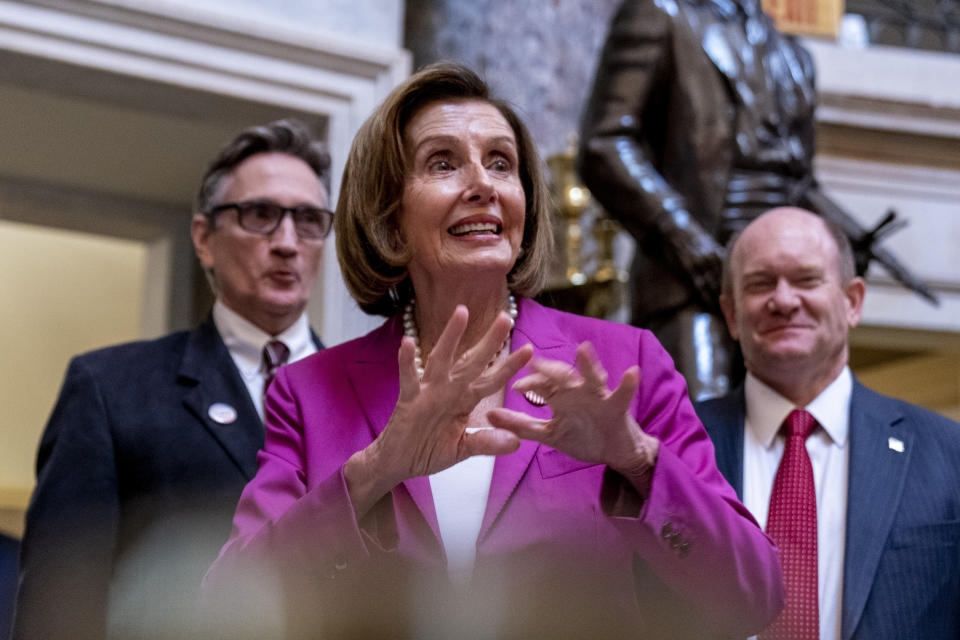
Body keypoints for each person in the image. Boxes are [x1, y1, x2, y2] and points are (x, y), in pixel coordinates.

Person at [204, 62, 783, 639]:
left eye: (501, 163)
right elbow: (226, 613)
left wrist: (637, 459)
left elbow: (752, 595)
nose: (482, 185)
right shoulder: (307, 393)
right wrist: (374, 472)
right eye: (443, 162)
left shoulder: (626, 361)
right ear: (391, 221)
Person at [13, 119, 331, 640]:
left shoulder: (373, 395)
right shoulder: (109, 388)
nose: (288, 242)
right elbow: (58, 604)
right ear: (204, 239)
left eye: (311, 220)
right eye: (260, 215)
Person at [578, 0, 934, 402]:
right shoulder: (661, 14)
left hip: (776, 276)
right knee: (698, 431)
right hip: (692, 280)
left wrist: (846, 235)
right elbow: (604, 145)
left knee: (795, 428)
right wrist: (687, 242)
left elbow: (796, 180)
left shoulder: (793, 56)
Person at [696, 207, 960, 639]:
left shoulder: (948, 455)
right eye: (761, 283)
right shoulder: (675, 445)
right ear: (731, 314)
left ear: (852, 301)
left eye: (806, 279)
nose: (783, 300)